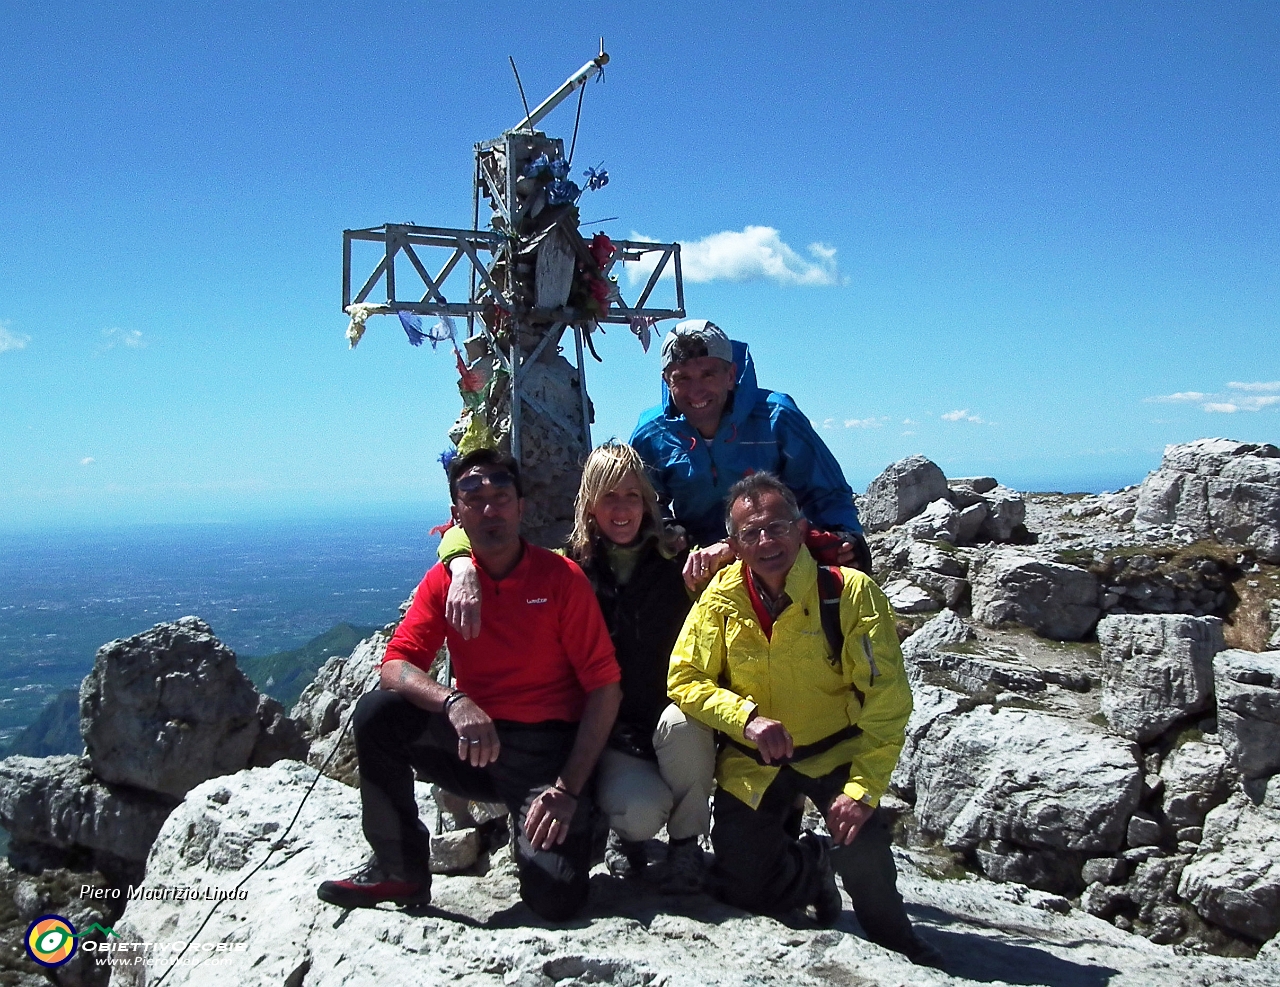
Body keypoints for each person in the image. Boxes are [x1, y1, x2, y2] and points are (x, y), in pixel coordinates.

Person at [317, 448, 622, 921]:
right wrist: (452, 701)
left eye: (502, 497)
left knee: (556, 900)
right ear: (457, 514)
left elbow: (605, 688)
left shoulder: (561, 580)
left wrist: (566, 789)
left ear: (522, 507)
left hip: (546, 753)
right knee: (378, 714)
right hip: (475, 742)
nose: (489, 509)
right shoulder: (445, 582)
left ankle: (582, 818)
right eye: (473, 499)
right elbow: (395, 665)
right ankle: (399, 869)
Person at [667, 471, 943, 967]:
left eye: (777, 527)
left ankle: (897, 942)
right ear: (733, 543)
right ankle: (808, 867)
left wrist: (861, 792)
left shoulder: (849, 592)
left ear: (801, 527)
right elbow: (684, 677)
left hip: (834, 751)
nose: (766, 542)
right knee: (744, 888)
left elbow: (887, 701)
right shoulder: (722, 595)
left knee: (864, 857)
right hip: (756, 759)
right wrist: (745, 719)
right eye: (750, 534)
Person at [438, 442, 716, 892]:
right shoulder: (569, 568)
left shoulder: (679, 561)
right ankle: (628, 837)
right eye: (608, 496)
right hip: (610, 732)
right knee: (641, 812)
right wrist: (461, 563)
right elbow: (471, 534)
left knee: (685, 725)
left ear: (647, 501)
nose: (621, 508)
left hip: (668, 717)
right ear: (589, 504)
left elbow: (746, 555)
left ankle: (686, 846)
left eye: (631, 495)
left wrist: (722, 551)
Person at [629, 319, 873, 589]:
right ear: (667, 380)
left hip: (774, 550)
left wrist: (847, 536)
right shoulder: (652, 433)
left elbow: (826, 492)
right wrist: (668, 529)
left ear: (731, 375)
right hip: (697, 565)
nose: (696, 391)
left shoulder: (776, 419)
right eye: (682, 378)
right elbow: (642, 500)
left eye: (708, 374)